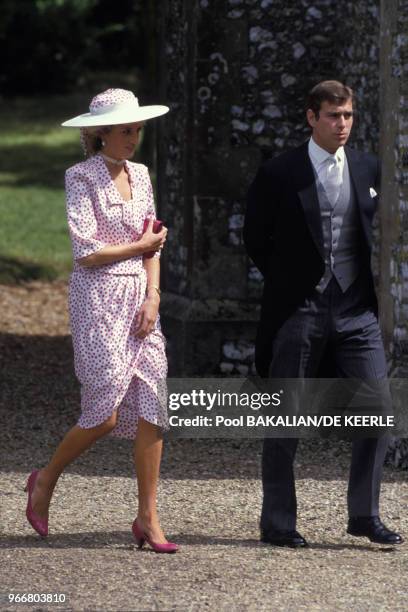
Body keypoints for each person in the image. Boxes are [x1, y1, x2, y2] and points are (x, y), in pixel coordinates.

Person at [243, 80, 403, 548]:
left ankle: (364, 516)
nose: (343, 124)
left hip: (355, 309)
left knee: (378, 410)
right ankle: (277, 522)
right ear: (311, 117)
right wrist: (292, 281)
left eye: (349, 115)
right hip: (301, 308)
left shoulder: (368, 166)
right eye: (334, 116)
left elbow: (367, 231)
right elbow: (256, 239)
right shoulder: (278, 173)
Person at [24, 88, 178, 553]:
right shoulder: (81, 177)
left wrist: (153, 296)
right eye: (125, 130)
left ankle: (148, 518)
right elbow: (87, 252)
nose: (134, 138)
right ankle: (45, 480)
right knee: (105, 413)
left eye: (137, 129)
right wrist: (141, 249)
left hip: (140, 297)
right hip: (98, 301)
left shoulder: (143, 174)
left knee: (153, 404)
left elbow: (154, 240)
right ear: (100, 133)